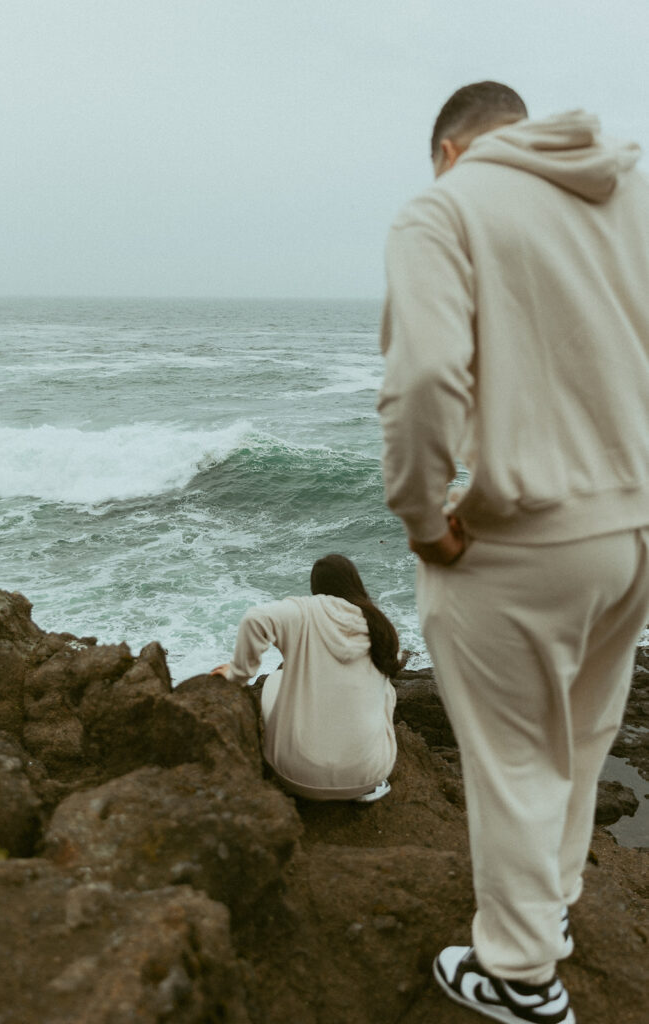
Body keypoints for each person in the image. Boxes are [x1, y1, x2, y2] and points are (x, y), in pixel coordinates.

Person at [378, 80, 649, 1024]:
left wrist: (423, 516)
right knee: (579, 740)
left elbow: (421, 379)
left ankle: (520, 978)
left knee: (517, 758)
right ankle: (551, 915)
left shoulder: (444, 207)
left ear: (449, 149)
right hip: (630, 535)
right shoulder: (626, 195)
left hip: (529, 536)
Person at [211, 554, 399, 801]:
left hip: (295, 777)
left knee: (276, 680)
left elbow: (253, 619)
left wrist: (238, 673)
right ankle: (364, 781)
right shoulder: (377, 624)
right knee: (386, 691)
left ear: (315, 588)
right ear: (355, 583)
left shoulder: (304, 612)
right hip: (367, 777)